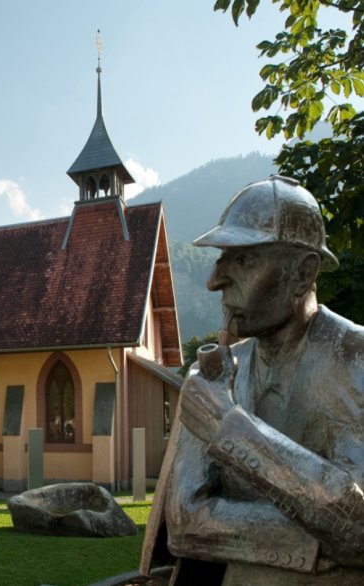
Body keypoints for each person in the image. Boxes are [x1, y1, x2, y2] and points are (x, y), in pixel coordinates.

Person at [147, 175, 364, 585]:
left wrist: (228, 427)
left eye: (243, 259)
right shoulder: (216, 372)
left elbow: (359, 527)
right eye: (223, 258)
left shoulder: (355, 359)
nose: (215, 280)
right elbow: (186, 523)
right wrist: (315, 541)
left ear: (303, 273)